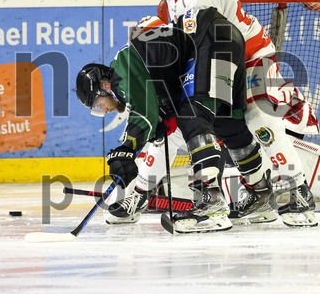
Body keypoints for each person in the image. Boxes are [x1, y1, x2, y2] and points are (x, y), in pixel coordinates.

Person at [148, 0, 318, 227]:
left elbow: (196, 46)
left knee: (262, 123)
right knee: (229, 124)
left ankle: (298, 193)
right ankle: (261, 195)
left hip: (252, 58)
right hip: (229, 61)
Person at [76, 12, 271, 233]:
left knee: (192, 116)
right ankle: (261, 193)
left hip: (208, 40)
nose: (103, 109)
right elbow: (156, 110)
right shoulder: (146, 69)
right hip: (226, 39)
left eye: (97, 103)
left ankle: (211, 204)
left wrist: (126, 149)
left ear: (105, 86)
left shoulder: (122, 69)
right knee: (226, 123)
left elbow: (144, 114)